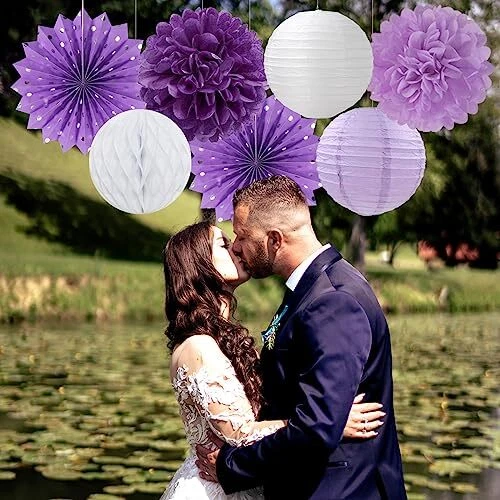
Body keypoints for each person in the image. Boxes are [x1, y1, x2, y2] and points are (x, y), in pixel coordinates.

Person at [196, 176, 406, 499]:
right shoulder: (309, 288)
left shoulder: (333, 301)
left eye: (242, 236)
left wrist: (232, 466)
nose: (235, 246)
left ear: (274, 240)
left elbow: (317, 428)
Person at [160, 220, 385, 499]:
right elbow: (240, 434)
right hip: (213, 486)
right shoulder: (198, 346)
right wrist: (330, 423)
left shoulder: (224, 339)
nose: (237, 249)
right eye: (224, 245)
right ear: (199, 264)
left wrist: (324, 413)